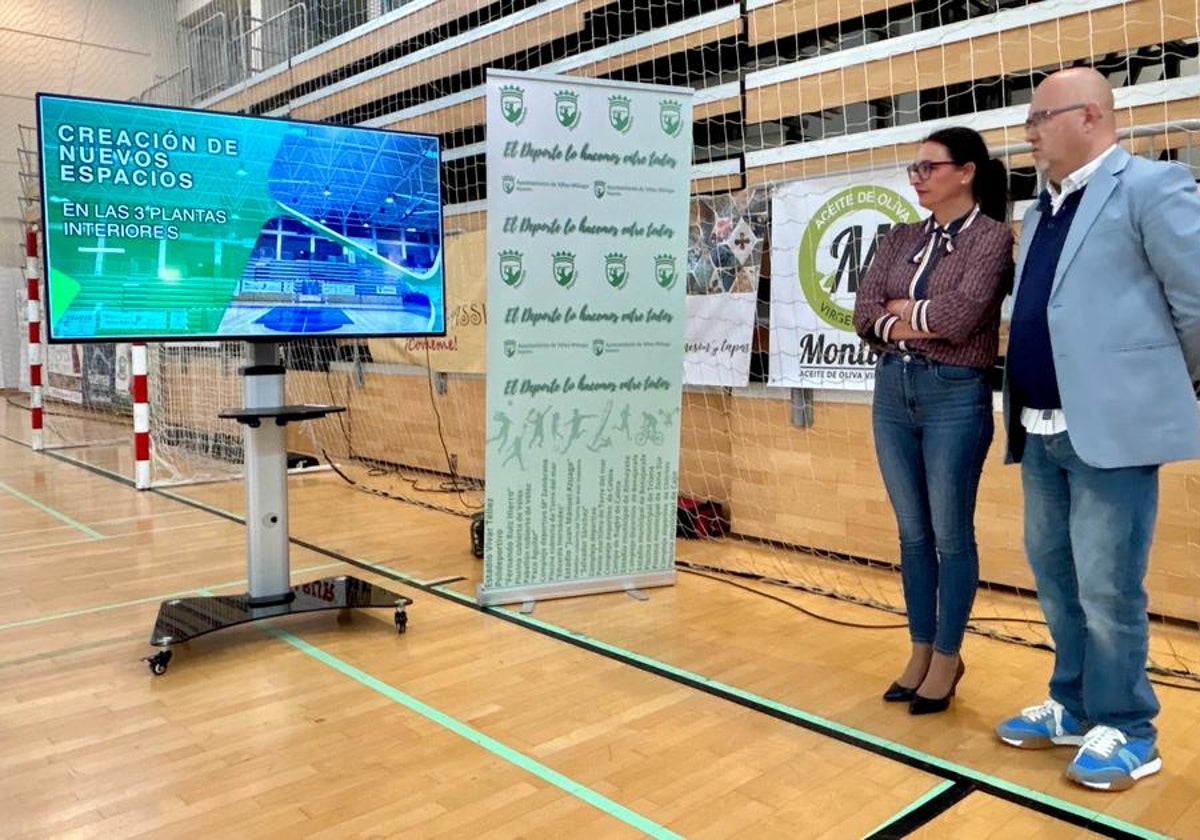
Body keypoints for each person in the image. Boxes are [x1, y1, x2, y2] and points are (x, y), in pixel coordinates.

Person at [994, 66, 1200, 791]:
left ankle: (1131, 729)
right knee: (1056, 578)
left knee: (1110, 588)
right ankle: (1076, 704)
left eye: (1038, 118)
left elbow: (1196, 299)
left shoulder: (1152, 187)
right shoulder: (1039, 209)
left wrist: (1172, 388)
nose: (1027, 133)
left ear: (1089, 116)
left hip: (1111, 429)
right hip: (1040, 427)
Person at [853, 127, 1014, 715]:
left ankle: (948, 654)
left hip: (954, 394)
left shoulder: (994, 239)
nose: (917, 176)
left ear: (966, 171)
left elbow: (965, 315)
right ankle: (920, 650)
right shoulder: (897, 238)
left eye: (929, 166)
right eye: (913, 167)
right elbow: (863, 314)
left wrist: (900, 315)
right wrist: (906, 321)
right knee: (912, 535)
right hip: (892, 389)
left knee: (951, 535)